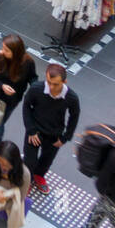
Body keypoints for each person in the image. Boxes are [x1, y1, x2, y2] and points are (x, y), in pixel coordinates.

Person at [21, 63, 80, 192]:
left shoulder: (72, 98)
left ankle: (38, 176)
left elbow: (74, 116)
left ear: (64, 82)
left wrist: (65, 138)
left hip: (54, 134)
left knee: (47, 160)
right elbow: (26, 107)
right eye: (49, 82)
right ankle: (27, 180)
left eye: (56, 84)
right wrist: (31, 130)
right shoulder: (36, 88)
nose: (51, 87)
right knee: (29, 161)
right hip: (35, 131)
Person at [0, 34, 36, 147]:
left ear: (16, 52)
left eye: (6, 50)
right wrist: (2, 85)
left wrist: (34, 88)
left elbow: (33, 77)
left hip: (12, 101)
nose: (2, 51)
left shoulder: (28, 62)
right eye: (3, 48)